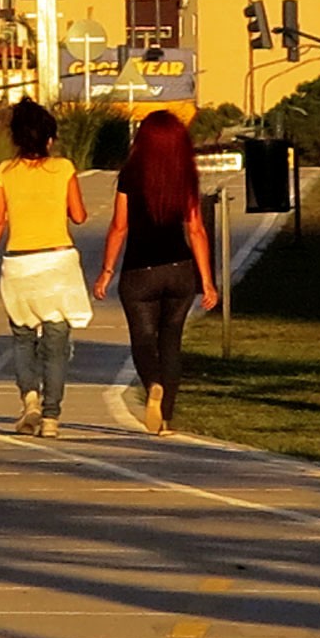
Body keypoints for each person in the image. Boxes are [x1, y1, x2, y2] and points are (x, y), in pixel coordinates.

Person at [92, 109, 220, 436]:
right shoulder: (184, 175)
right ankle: (165, 420)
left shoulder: (131, 174)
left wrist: (106, 271)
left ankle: (152, 385)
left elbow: (119, 228)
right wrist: (206, 280)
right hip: (180, 270)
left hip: (140, 272)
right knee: (172, 342)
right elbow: (196, 230)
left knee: (144, 339)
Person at [0, 98, 90, 438]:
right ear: (49, 140)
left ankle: (30, 400)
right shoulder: (64, 168)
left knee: (23, 338)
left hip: (18, 263)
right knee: (56, 341)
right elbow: (79, 216)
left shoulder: (5, 172)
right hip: (57, 263)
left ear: (17, 139)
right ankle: (51, 418)